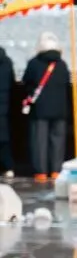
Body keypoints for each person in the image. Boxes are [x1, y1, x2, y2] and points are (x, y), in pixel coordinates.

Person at [22, 32, 71, 182]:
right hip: (60, 110)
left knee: (39, 141)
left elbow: (27, 82)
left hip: (40, 110)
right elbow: (67, 83)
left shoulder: (34, 63)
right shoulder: (62, 65)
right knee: (58, 141)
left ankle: (41, 172)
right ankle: (56, 170)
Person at [0, 46, 16, 178]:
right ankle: (8, 167)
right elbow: (12, 82)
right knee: (3, 139)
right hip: (3, 106)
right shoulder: (7, 62)